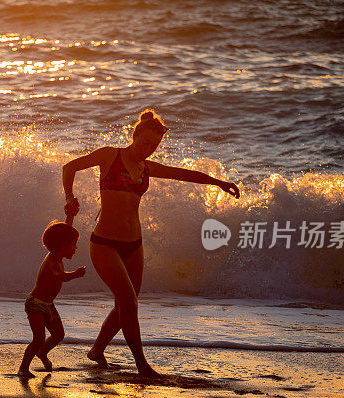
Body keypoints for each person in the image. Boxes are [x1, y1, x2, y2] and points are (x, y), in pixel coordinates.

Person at [62, 109, 240, 377]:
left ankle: (97, 350)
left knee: (126, 303)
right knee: (129, 302)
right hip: (104, 243)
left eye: (155, 146)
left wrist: (218, 183)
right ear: (134, 136)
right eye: (145, 143)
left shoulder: (147, 168)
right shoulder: (110, 155)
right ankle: (142, 364)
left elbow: (184, 174)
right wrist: (69, 197)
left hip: (134, 243)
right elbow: (69, 167)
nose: (149, 149)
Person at [19, 222, 86, 378]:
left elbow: (65, 230)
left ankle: (42, 352)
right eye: (73, 245)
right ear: (62, 246)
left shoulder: (57, 254)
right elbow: (61, 276)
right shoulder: (51, 262)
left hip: (48, 305)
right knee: (38, 338)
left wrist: (70, 215)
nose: (75, 249)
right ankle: (23, 368)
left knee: (58, 334)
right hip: (35, 304)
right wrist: (75, 274)